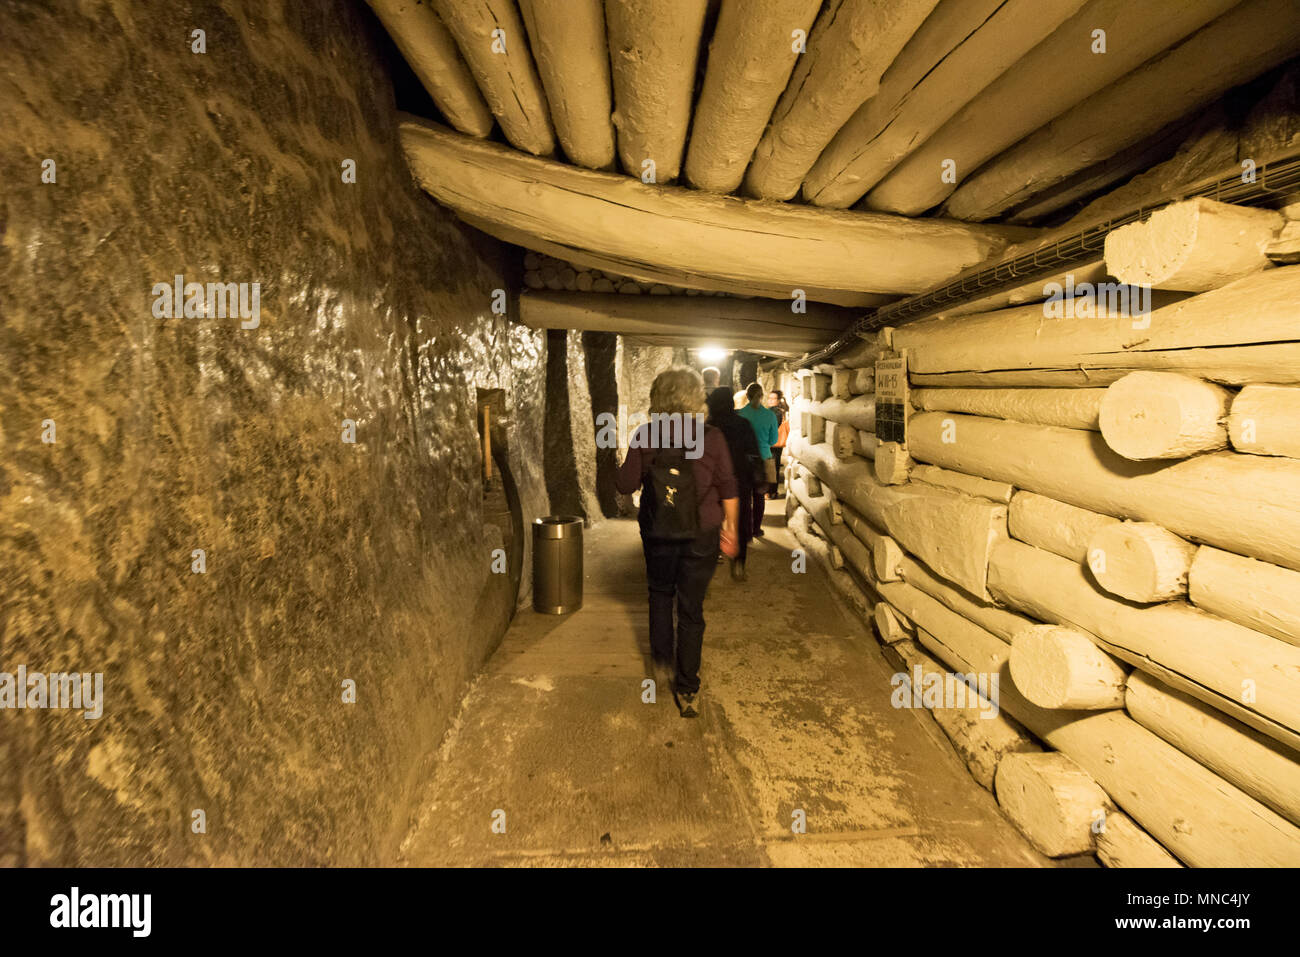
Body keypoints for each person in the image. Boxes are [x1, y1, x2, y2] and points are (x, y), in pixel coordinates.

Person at [615, 367, 740, 718]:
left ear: (658, 398)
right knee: (691, 609)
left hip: (658, 530)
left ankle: (661, 661)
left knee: (659, 593)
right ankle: (687, 689)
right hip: (702, 533)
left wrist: (616, 463)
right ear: (696, 397)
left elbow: (625, 485)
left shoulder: (646, 435)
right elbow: (728, 485)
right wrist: (731, 529)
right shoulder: (711, 437)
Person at [706, 386, 761, 581]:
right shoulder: (743, 424)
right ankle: (739, 563)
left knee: (712, 519)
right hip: (739, 480)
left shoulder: (707, 426)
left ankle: (713, 556)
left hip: (711, 482)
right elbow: (754, 453)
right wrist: (757, 477)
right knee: (740, 520)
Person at [737, 383, 779, 538]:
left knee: (746, 497)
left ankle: (746, 530)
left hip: (745, 459)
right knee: (760, 496)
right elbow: (774, 440)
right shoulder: (770, 416)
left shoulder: (741, 414)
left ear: (747, 396)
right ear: (762, 396)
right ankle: (757, 529)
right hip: (763, 458)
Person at [767, 390, 790, 500]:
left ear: (778, 400)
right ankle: (771, 491)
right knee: (772, 467)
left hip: (772, 444)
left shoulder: (776, 412)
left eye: (773, 399)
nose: (770, 400)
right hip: (772, 444)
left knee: (771, 468)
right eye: (769, 398)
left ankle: (771, 492)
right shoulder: (774, 411)